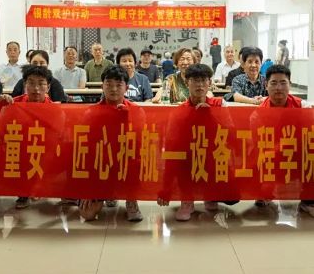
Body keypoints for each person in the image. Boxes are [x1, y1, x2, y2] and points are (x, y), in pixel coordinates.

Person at [159, 63, 229, 221]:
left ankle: (210, 194)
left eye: (204, 80)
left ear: (209, 83)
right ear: (187, 83)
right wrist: (166, 187)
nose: (200, 85)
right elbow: (171, 148)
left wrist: (210, 116)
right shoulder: (179, 111)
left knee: (233, 196)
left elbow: (230, 134)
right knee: (182, 158)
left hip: (213, 156)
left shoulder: (220, 104)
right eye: (195, 80)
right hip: (189, 157)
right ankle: (187, 199)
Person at [78, 65, 143, 222]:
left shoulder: (136, 111)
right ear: (102, 86)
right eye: (109, 84)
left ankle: (131, 199)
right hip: (100, 163)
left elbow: (139, 144)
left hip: (126, 161)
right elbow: (86, 148)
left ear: (126, 88)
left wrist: (126, 119)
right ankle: (108, 192)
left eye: (118, 85)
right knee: (87, 214)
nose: (113, 89)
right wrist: (87, 189)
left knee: (136, 161)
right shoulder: (91, 112)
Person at [261, 64, 314, 218]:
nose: (278, 88)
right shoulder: (258, 111)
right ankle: (264, 192)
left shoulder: (302, 105)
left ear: (290, 84)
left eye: (283, 83)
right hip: (270, 154)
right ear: (266, 85)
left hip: (296, 153)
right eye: (273, 83)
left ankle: (310, 202)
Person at [0, 65, 56, 209]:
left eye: (41, 84)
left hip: (43, 148)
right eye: (31, 83)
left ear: (48, 87)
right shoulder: (14, 104)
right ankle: (23, 192)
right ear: (25, 85)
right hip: (21, 148)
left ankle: (43, 186)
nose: (36, 88)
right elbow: (1, 128)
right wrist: (0, 105)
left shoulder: (55, 109)